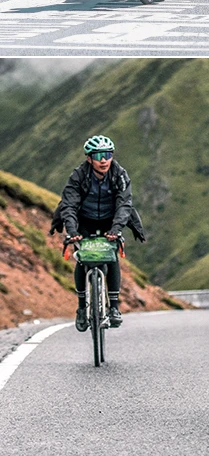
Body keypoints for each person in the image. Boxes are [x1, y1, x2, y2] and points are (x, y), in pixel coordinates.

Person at [58, 136, 140, 332]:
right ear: (89, 159)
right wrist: (72, 231)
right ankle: (81, 307)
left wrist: (117, 229)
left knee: (111, 259)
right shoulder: (78, 175)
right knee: (82, 259)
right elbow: (69, 204)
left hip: (109, 221)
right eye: (99, 156)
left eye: (108, 155)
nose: (104, 160)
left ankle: (114, 308)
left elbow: (124, 204)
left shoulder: (119, 174)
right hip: (84, 221)